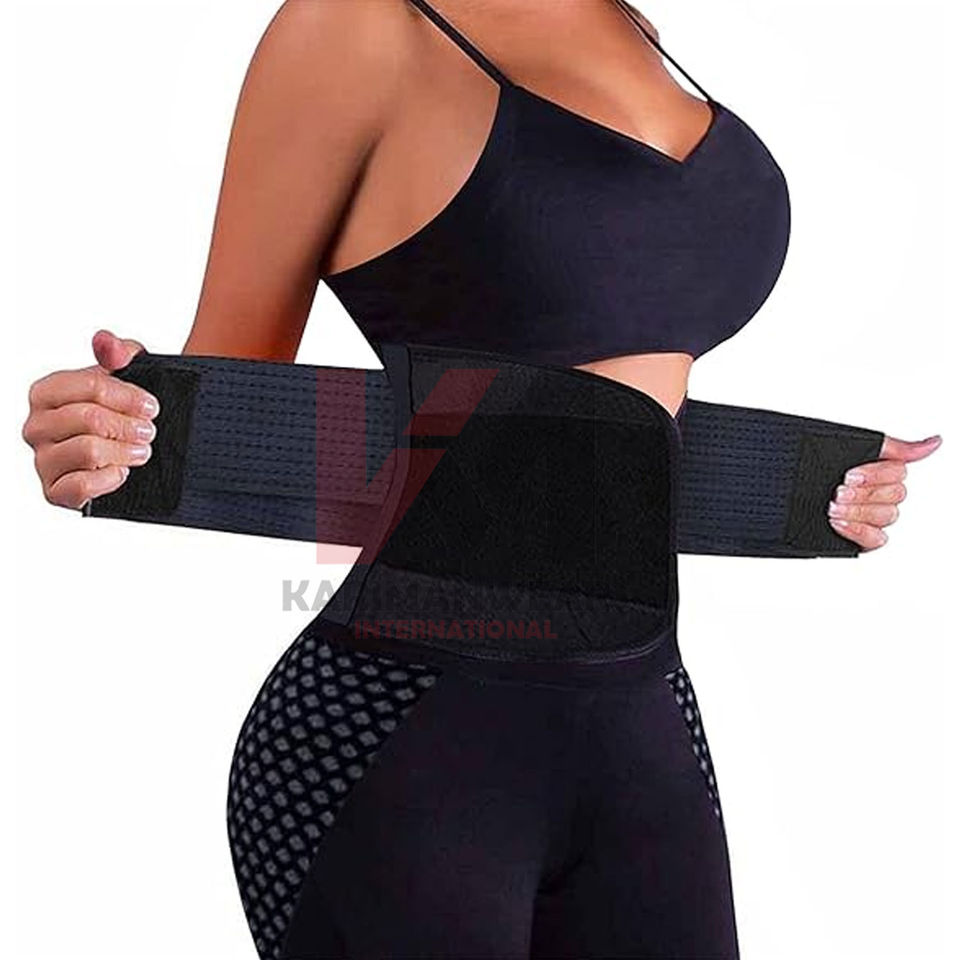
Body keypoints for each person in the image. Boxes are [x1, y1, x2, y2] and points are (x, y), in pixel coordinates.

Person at [20, 2, 941, 957]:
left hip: (644, 722)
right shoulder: (355, 26)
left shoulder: (630, 25)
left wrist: (801, 490)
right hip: (402, 737)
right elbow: (231, 399)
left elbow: (600, 427)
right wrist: (113, 432)